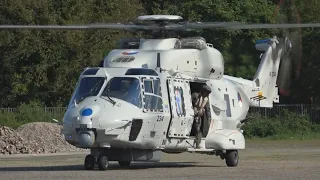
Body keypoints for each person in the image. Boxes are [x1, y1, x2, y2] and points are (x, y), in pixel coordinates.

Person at [191, 84, 212, 149]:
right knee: (197, 128)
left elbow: (204, 108)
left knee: (197, 128)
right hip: (193, 112)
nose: (206, 94)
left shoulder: (205, 99)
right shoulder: (196, 96)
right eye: (206, 92)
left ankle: (197, 142)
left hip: (197, 114)